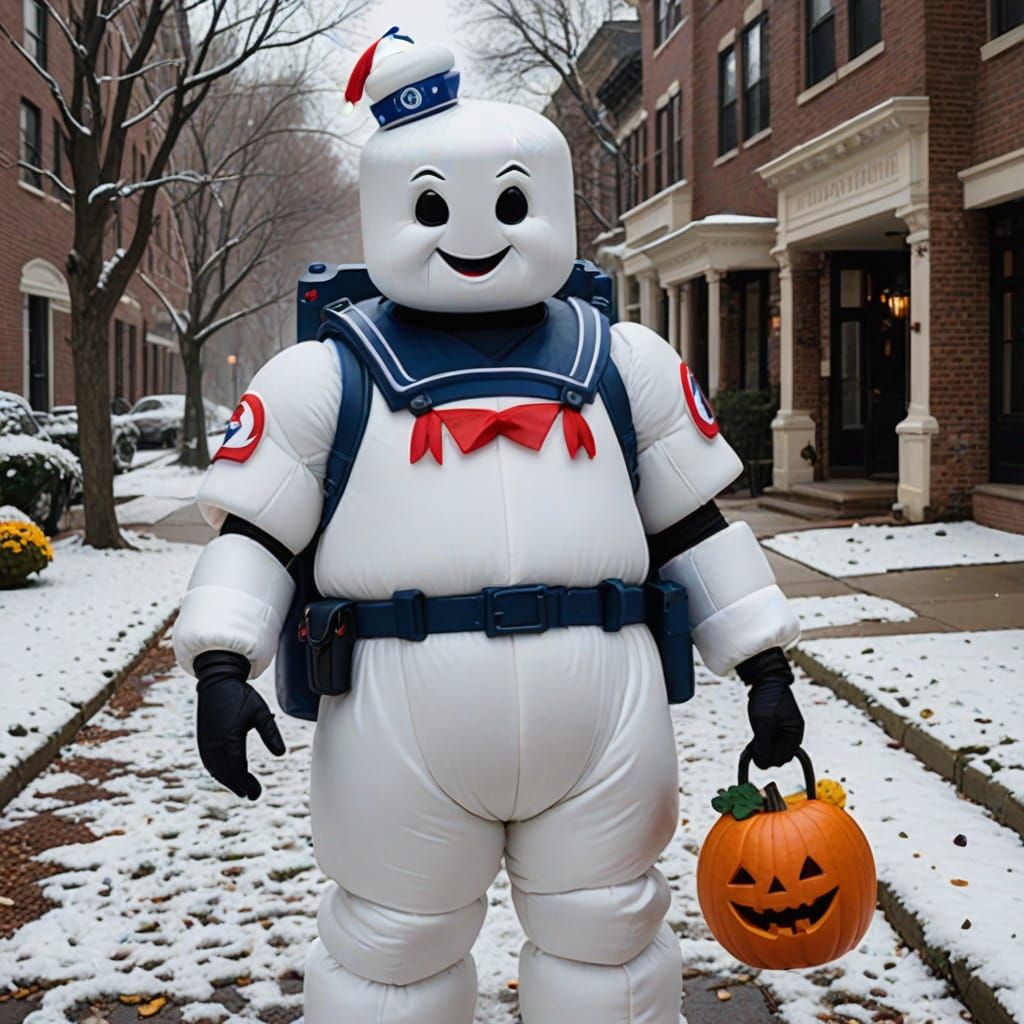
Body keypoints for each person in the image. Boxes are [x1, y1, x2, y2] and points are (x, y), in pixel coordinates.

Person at [172, 29, 804, 1024]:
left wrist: (764, 662)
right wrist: (219, 663)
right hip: (394, 714)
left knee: (609, 932)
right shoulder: (320, 379)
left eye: (510, 202)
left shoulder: (626, 364)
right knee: (390, 945)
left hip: (601, 715)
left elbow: (691, 524)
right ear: (390, 209)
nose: (474, 231)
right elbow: (253, 538)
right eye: (432, 206)